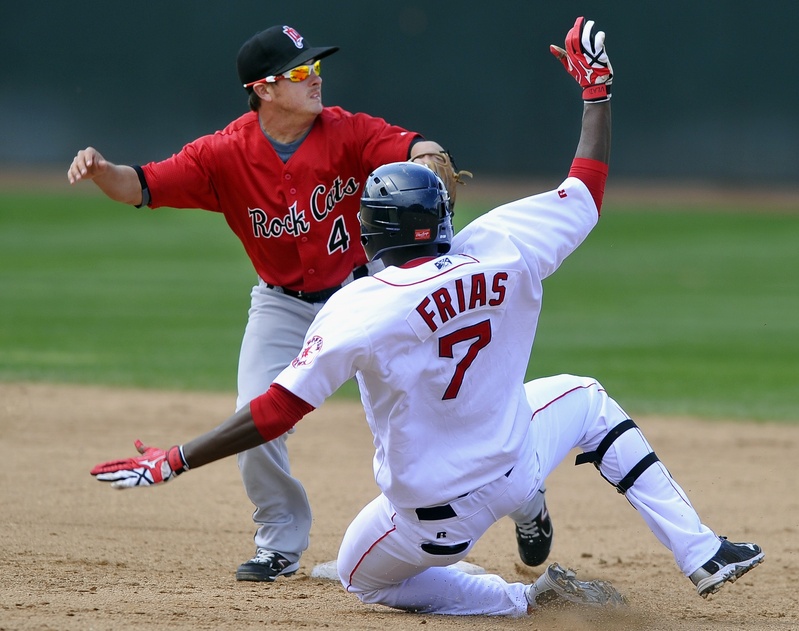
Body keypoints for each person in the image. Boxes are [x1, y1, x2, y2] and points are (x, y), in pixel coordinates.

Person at [90, 17, 764, 617]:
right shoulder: (502, 243)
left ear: (373, 227)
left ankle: (520, 599)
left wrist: (174, 460)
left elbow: (275, 410)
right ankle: (700, 549)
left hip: (427, 523)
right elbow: (584, 184)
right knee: (584, 398)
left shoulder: (360, 305)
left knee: (359, 575)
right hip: (511, 463)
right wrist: (595, 94)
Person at [67, 24, 552, 582]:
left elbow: (408, 146)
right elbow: (141, 186)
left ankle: (526, 498)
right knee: (255, 414)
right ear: (264, 89)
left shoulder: (345, 131)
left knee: (449, 404)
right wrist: (103, 171)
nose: (315, 78)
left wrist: (429, 152)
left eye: (316, 67)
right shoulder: (222, 155)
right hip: (282, 305)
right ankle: (279, 541)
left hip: (367, 292)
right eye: (300, 72)